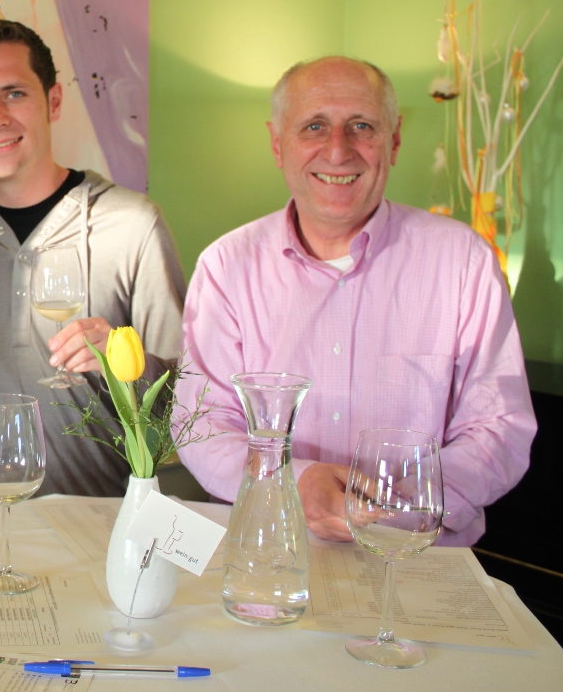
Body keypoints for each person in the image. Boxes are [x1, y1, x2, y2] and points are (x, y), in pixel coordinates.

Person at [177, 56, 536, 546]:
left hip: (414, 557)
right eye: (314, 126)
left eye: (361, 126)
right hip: (267, 554)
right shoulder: (225, 266)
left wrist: (396, 506)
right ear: (278, 144)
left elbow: (499, 427)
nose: (338, 150)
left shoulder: (463, 261)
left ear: (394, 140)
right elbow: (203, 425)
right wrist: (293, 480)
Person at [0, 19, 186, 511]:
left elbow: (182, 392)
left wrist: (123, 362)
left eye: (14, 94)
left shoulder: (134, 224)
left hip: (94, 516)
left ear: (53, 100)